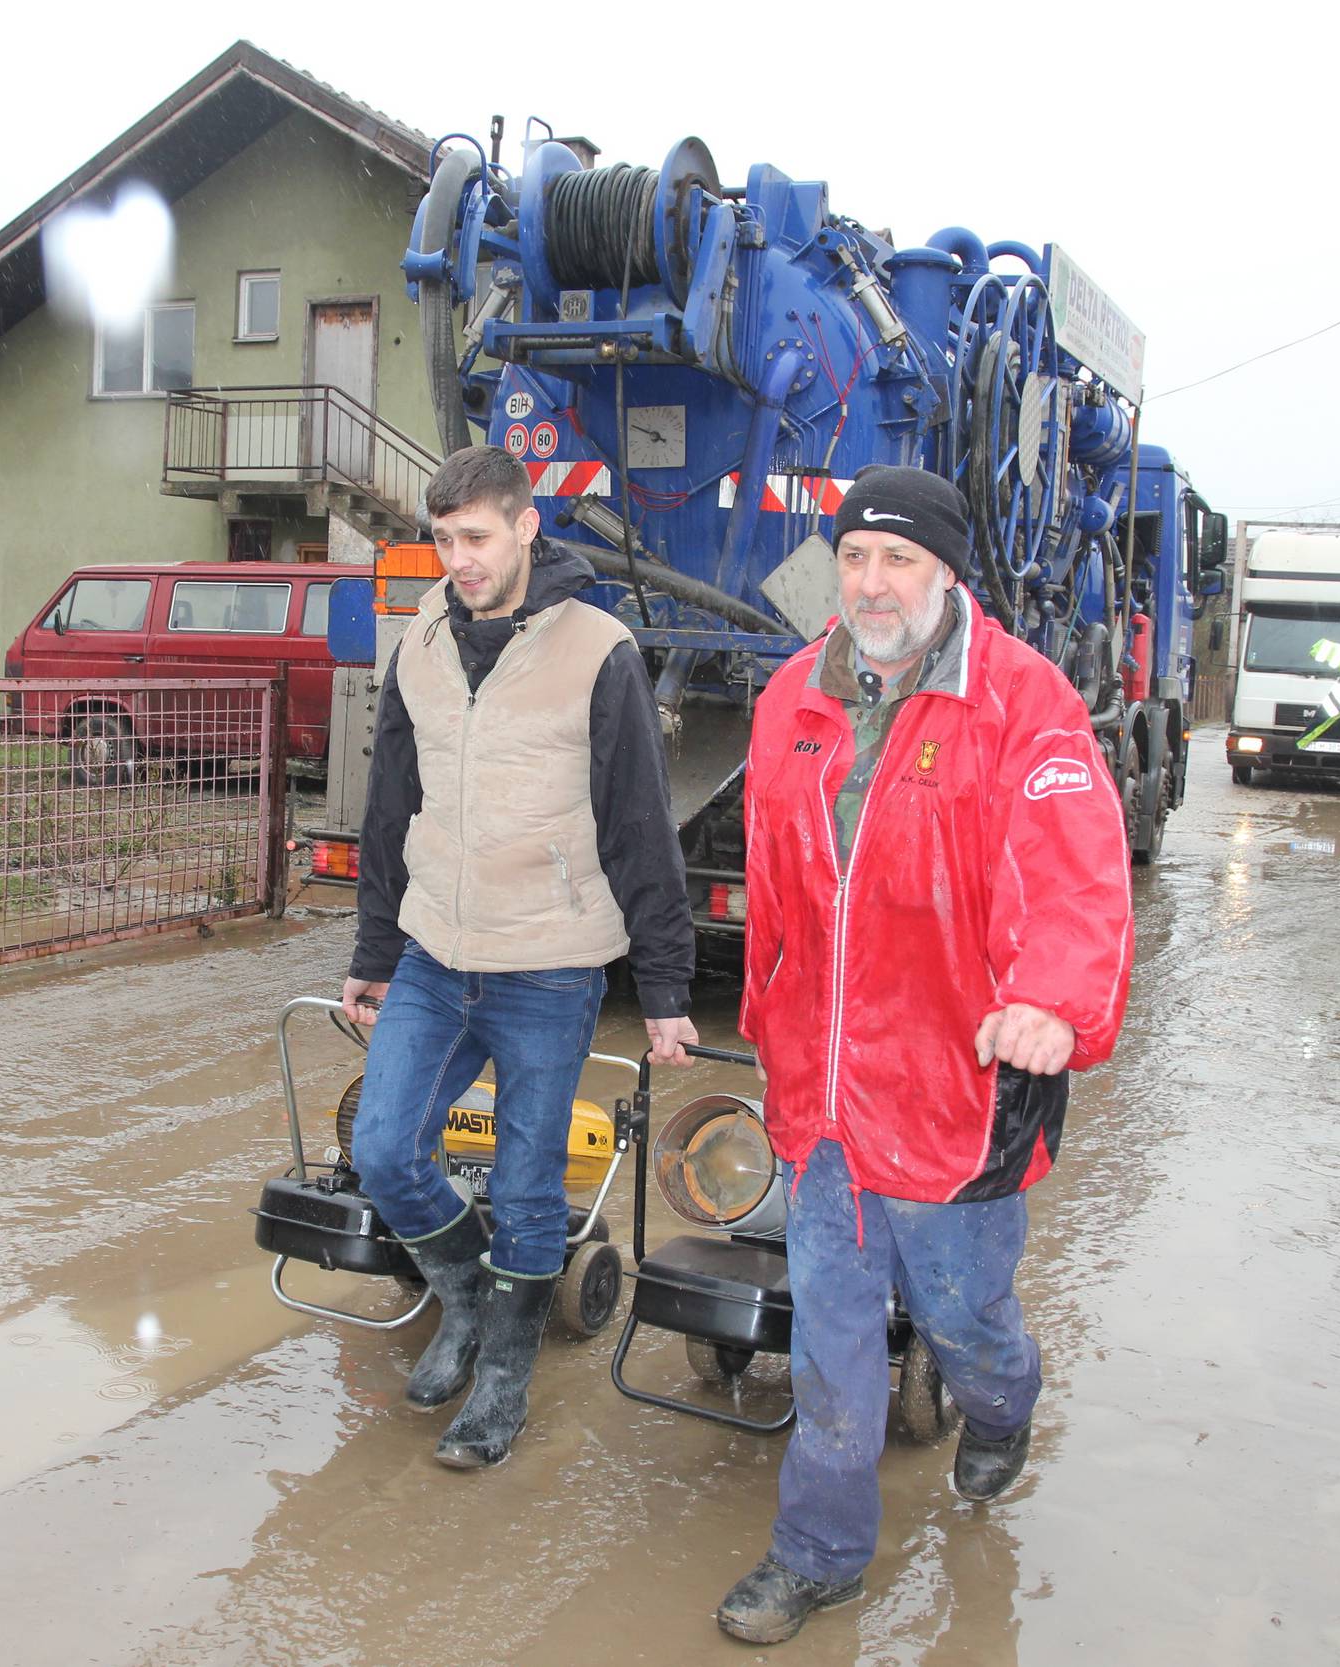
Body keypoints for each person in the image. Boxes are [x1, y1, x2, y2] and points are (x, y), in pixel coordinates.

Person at [716, 466, 1134, 1645]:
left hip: (959, 1093)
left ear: (948, 574)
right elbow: (776, 891)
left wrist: (1052, 1000)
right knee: (830, 1342)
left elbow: (1078, 872)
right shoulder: (792, 697)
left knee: (965, 1318)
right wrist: (771, 1024)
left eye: (899, 560)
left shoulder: (1025, 703)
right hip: (828, 1099)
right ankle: (821, 1552)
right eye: (854, 557)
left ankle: (1004, 1403)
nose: (872, 581)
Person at [342, 444, 699, 1469]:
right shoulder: (420, 641)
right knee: (384, 1148)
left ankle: (504, 1372)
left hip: (549, 964)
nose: (458, 558)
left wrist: (668, 986)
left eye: (477, 537)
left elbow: (640, 822)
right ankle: (461, 1298)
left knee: (531, 1184)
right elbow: (389, 805)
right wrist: (375, 943)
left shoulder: (599, 649)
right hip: (435, 954)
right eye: (444, 538)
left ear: (526, 525)